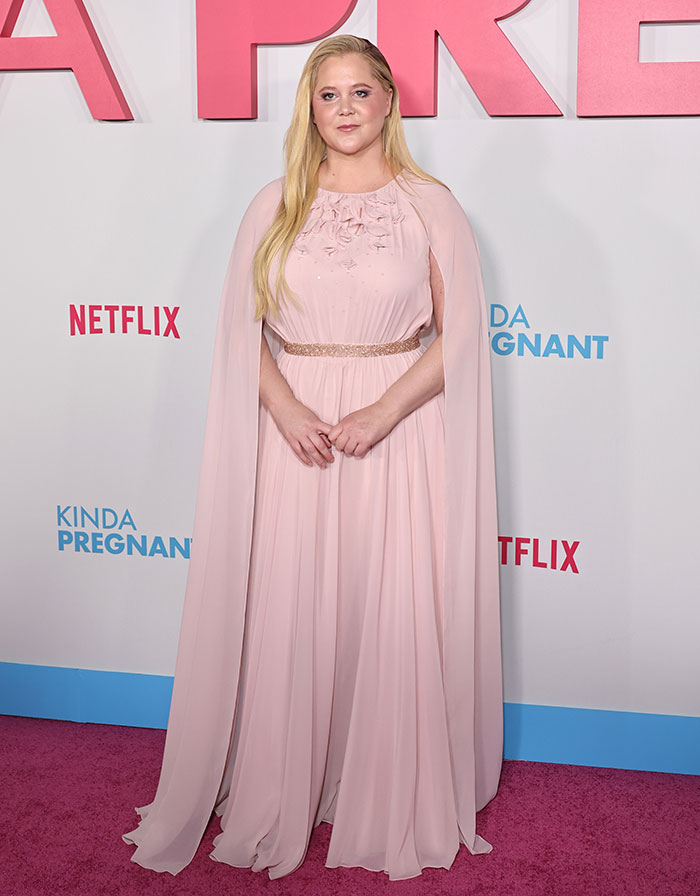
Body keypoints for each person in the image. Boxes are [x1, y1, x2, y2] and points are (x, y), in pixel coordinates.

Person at [123, 34, 503, 881]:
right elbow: (239, 330)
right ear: (310, 107)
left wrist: (386, 407)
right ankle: (288, 778)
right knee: (296, 603)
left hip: (397, 436)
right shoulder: (275, 203)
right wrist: (289, 405)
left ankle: (387, 786)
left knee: (389, 603)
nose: (344, 111)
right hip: (293, 437)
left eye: (360, 93)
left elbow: (461, 338)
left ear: (388, 101)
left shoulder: (431, 205)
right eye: (327, 96)